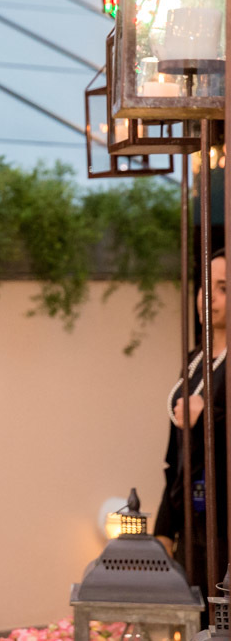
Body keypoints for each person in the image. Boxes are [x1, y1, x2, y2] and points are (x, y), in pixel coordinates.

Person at [155, 249, 228, 594]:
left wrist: (208, 419)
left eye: (224, 288)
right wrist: (165, 529)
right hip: (193, 521)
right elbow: (176, 457)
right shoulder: (195, 360)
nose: (209, 298)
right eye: (205, 286)